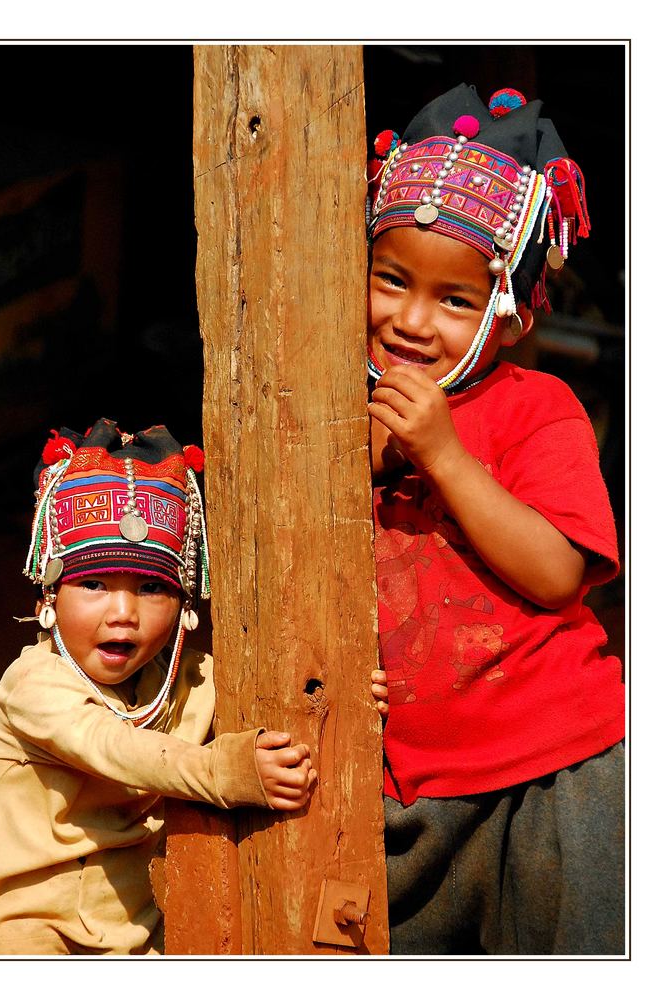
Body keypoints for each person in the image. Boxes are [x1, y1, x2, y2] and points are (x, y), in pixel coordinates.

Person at [364, 84, 625, 955]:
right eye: (391, 281)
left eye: (453, 301)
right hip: (405, 787)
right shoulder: (325, 415)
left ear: (510, 318)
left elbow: (556, 576)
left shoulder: (535, 409)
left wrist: (442, 454)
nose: (408, 322)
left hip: (553, 771)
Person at [0, 418, 317, 956]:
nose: (123, 613)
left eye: (150, 588)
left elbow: (287, 697)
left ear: (185, 605)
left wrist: (354, 698)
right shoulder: (32, 684)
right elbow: (118, 748)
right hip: (18, 940)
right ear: (48, 595)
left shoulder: (184, 681)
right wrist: (226, 770)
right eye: (93, 584)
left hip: (136, 943)